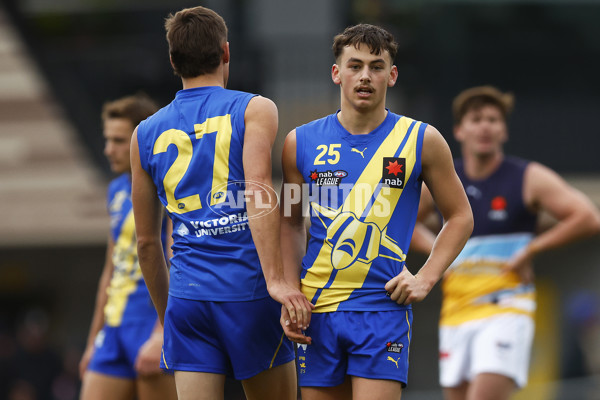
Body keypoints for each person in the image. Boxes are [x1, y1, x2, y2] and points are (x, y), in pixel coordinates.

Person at [279, 24, 474, 400]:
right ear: (337, 73)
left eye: (377, 66)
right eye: (355, 65)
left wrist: (425, 278)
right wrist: (290, 292)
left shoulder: (422, 140)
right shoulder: (298, 143)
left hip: (382, 310)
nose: (365, 76)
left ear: (392, 75)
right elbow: (289, 222)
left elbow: (461, 217)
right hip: (316, 312)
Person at [129, 6, 313, 400]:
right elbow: (256, 191)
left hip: (187, 299)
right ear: (226, 52)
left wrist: (169, 318)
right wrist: (277, 282)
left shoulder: (144, 133)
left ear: (173, 60)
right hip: (247, 292)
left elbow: (146, 243)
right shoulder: (253, 108)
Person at [416, 85, 600, 400]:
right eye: (476, 119)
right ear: (459, 130)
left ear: (504, 130)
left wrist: (532, 248)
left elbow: (588, 217)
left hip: (506, 308)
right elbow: (403, 223)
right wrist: (439, 255)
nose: (485, 126)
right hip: (457, 310)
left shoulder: (527, 177)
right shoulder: (446, 179)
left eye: (493, 119)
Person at [79, 94, 177, 400]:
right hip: (114, 328)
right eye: (108, 139)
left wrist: (164, 331)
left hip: (149, 322)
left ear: (141, 139)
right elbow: (110, 269)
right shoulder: (115, 189)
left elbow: (177, 259)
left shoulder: (167, 182)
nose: (109, 149)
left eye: (119, 140)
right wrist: (92, 340)